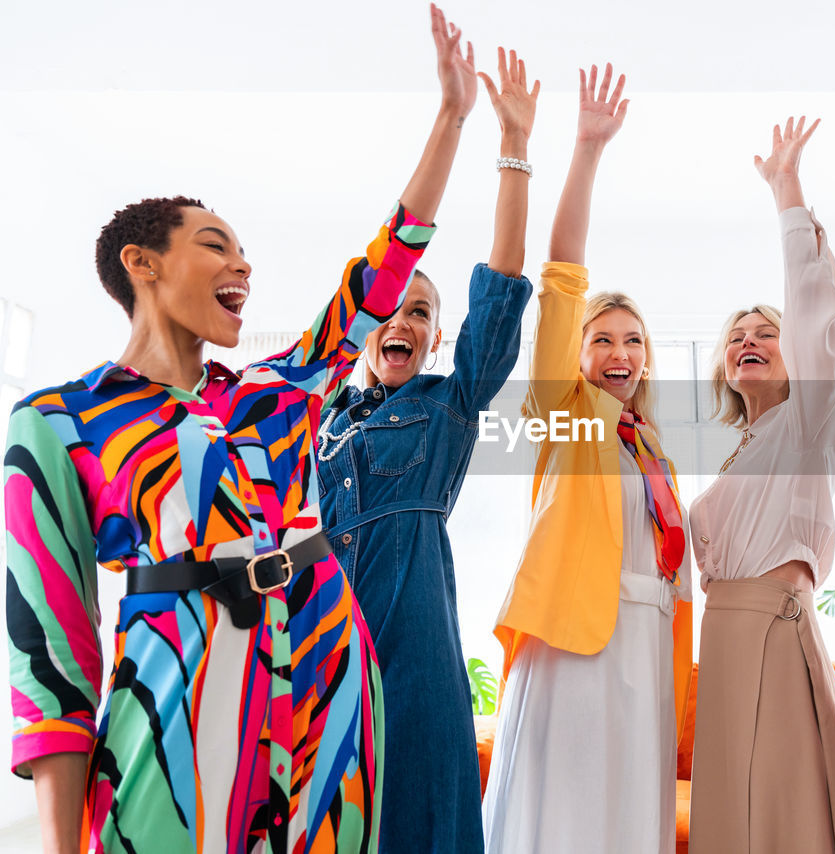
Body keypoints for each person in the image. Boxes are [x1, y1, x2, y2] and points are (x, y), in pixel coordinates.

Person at [3, 5, 467, 851]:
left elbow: (380, 274)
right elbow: (49, 663)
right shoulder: (53, 423)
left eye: (245, 252)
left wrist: (451, 118)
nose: (243, 265)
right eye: (216, 245)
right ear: (142, 264)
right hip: (177, 705)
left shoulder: (278, 389)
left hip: (330, 671)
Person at [313, 35, 536, 854]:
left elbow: (502, 293)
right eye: (393, 309)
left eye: (421, 312)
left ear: (436, 340)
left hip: (414, 644)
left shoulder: (450, 402)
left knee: (423, 816)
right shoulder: (320, 414)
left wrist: (513, 149)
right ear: (366, 328)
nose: (402, 320)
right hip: (325, 632)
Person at [482, 63, 693, 854]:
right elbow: (563, 270)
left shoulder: (655, 449)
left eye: (633, 339)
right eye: (602, 337)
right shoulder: (565, 414)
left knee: (629, 815)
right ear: (574, 356)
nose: (619, 351)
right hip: (576, 638)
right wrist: (586, 148)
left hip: (646, 640)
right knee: (565, 813)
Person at [687, 117, 835, 854]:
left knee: (783, 809)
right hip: (723, 635)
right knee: (733, 815)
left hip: (772, 626)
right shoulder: (739, 453)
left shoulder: (809, 422)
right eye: (735, 338)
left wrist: (787, 195)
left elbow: (811, 311)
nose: (749, 343)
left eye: (763, 333)